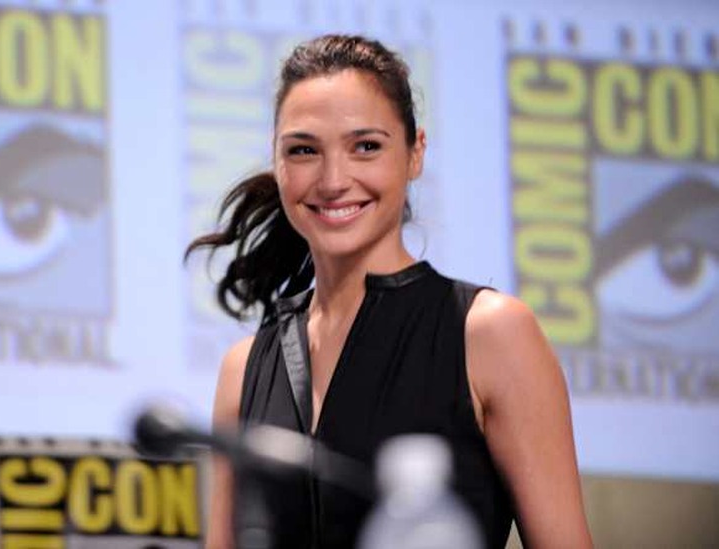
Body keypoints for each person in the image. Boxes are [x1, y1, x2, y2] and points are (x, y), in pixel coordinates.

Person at [187, 34, 592, 549]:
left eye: (366, 147)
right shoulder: (244, 369)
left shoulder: (489, 333)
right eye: (304, 150)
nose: (333, 180)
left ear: (415, 152)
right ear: (277, 160)